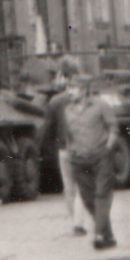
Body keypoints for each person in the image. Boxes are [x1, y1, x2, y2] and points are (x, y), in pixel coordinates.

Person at [62, 76, 122, 250]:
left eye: (73, 87)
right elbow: (68, 135)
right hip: (79, 160)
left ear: (84, 90)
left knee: (102, 194)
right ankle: (108, 236)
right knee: (88, 199)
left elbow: (113, 127)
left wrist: (108, 148)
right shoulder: (68, 110)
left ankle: (97, 234)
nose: (69, 91)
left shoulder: (100, 105)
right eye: (68, 88)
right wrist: (71, 152)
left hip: (101, 156)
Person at [41, 64, 91, 236]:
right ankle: (78, 223)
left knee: (69, 188)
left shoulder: (55, 102)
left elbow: (47, 128)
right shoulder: (86, 100)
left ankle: (75, 221)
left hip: (63, 150)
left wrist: (47, 147)